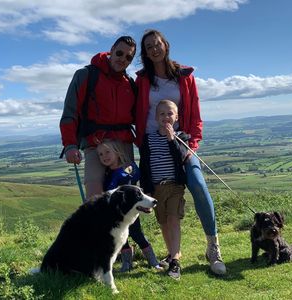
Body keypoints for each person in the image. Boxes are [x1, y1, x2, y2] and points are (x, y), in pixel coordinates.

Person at [134, 29, 227, 275]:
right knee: (160, 195)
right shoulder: (142, 79)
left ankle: (213, 248)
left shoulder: (184, 76)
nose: (154, 49)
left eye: (157, 44)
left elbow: (195, 112)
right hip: (152, 145)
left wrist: (192, 145)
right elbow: (135, 112)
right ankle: (172, 253)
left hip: (180, 143)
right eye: (148, 47)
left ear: (166, 45)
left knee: (197, 184)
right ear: (145, 53)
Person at [59, 36, 137, 200]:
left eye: (128, 57)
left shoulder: (129, 83)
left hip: (123, 144)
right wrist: (70, 145)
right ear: (112, 50)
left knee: (127, 198)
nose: (123, 59)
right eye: (120, 53)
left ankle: (130, 227)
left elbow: (138, 116)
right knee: (95, 196)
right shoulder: (86, 75)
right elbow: (70, 112)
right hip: (96, 144)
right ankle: (97, 226)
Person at [139, 99, 189, 280]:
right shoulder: (148, 139)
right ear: (155, 117)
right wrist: (147, 190)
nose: (166, 117)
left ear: (176, 117)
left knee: (174, 220)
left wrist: (171, 139)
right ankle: (172, 252)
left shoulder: (181, 137)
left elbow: (180, 158)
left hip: (175, 186)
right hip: (156, 187)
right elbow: (144, 165)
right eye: (162, 114)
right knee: (163, 222)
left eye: (170, 114)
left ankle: (175, 261)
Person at [96, 139, 161, 272]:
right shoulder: (107, 174)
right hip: (117, 213)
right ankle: (127, 263)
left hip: (131, 211)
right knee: (122, 237)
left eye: (108, 152)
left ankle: (153, 260)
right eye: (100, 154)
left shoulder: (128, 168)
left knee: (137, 234)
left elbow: (133, 177)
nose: (104, 156)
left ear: (117, 153)